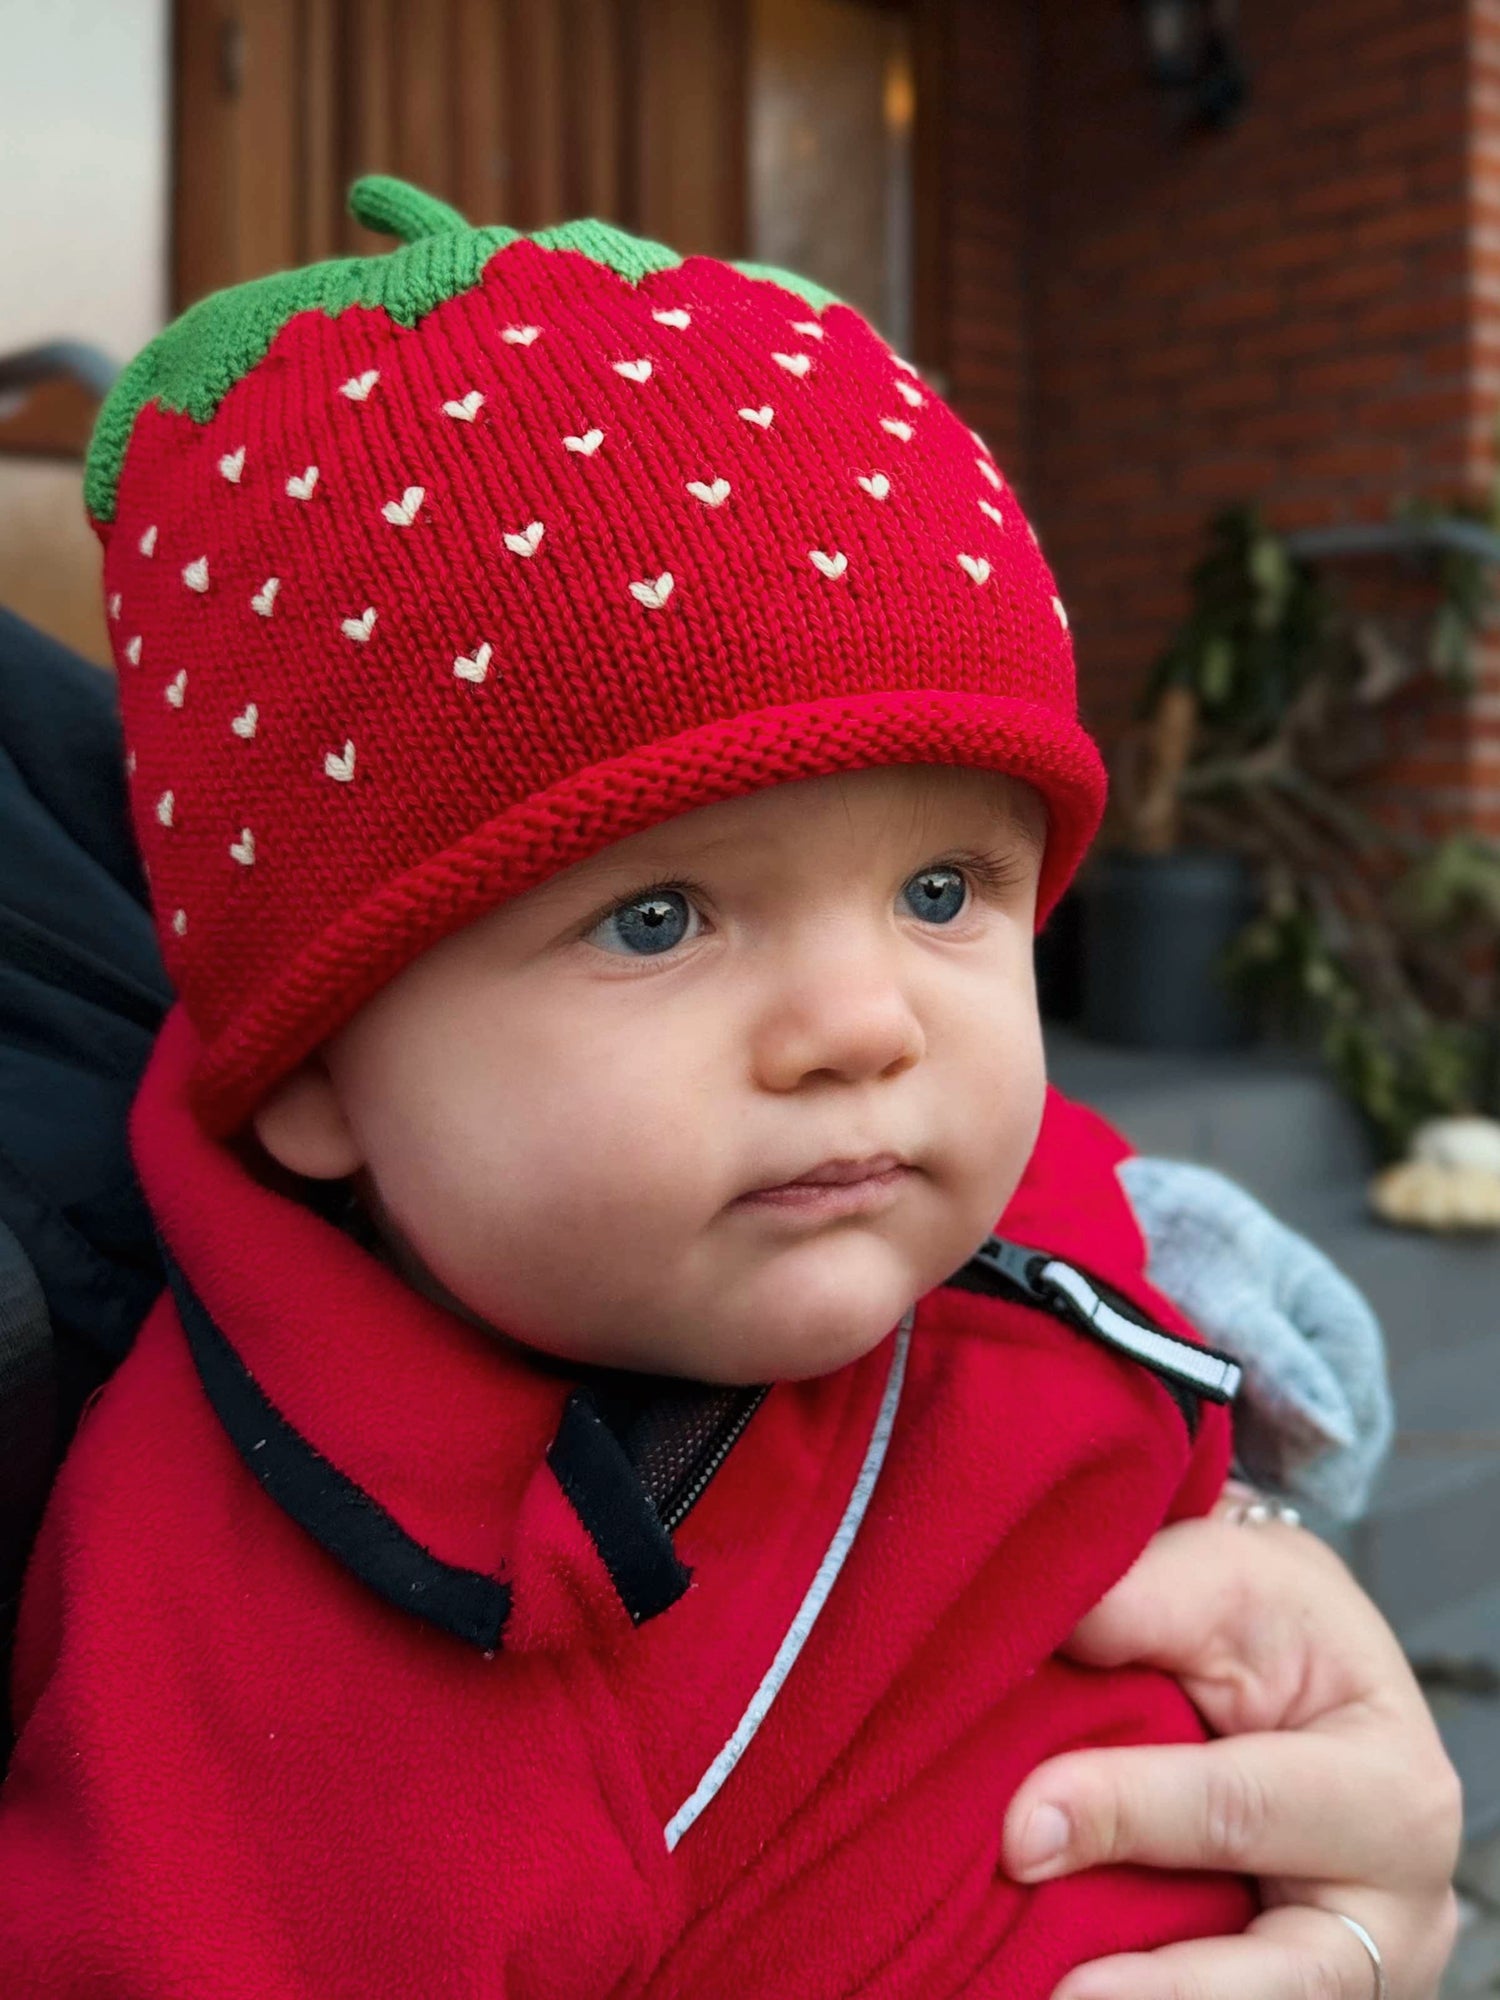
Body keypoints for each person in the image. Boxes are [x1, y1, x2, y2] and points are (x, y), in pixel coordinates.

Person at [0, 175, 1460, 1997]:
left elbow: (1062, 1220)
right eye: (658, 917)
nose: (863, 1027)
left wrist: (1220, 1395)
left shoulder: (865, 1194)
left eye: (945, 891)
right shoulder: (289, 1649)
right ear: (315, 1067)